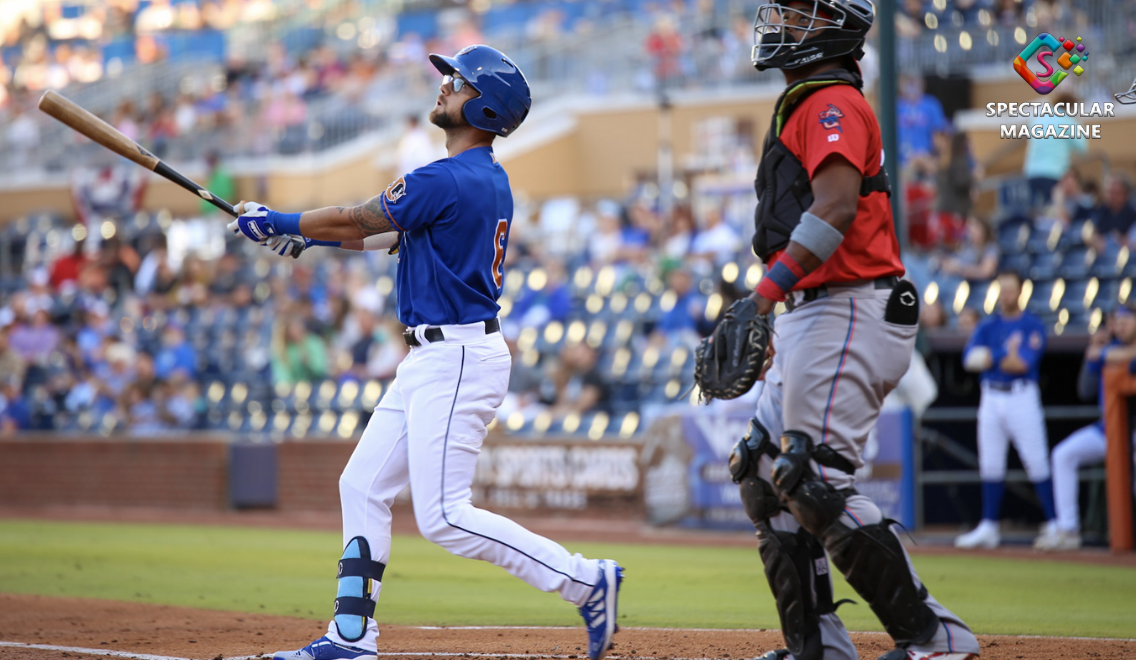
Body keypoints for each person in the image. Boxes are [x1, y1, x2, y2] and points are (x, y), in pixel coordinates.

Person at [230, 45, 622, 660]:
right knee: (361, 485)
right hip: (436, 357)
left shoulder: (446, 176)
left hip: (457, 357)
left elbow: (360, 219)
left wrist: (281, 220)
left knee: (443, 516)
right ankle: (352, 636)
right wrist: (303, 235)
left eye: (459, 82)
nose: (445, 87)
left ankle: (585, 579)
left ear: (486, 107)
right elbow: (389, 234)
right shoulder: (479, 178)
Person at [739, 2, 979, 659]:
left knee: (808, 477)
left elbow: (837, 205)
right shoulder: (810, 99)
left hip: (850, 302)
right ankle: (817, 646)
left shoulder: (830, 100)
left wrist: (763, 294)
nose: (783, 24)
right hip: (820, 308)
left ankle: (936, 639)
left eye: (799, 14)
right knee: (762, 470)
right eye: (784, 13)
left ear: (836, 24)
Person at [955, 271, 1056, 549]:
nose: (1005, 295)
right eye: (1002, 289)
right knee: (990, 463)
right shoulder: (989, 326)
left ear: (1021, 292)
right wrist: (1001, 354)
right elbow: (970, 360)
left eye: (1010, 290)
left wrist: (990, 357)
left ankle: (1054, 524)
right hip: (991, 396)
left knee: (1036, 461)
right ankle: (989, 526)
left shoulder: (1031, 325)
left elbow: (1022, 364)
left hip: (1021, 395)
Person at [1035, 305, 1136, 550]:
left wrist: (1104, 355)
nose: (1120, 325)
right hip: (1109, 429)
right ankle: (1068, 530)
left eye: (1127, 320)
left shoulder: (1113, 352)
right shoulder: (1108, 348)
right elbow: (1085, 390)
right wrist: (1095, 354)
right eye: (1116, 320)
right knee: (1063, 455)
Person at [1022, 92, 1088, 210]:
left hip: (1032, 171)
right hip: (1054, 172)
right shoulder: (1068, 121)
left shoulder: (1039, 118)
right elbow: (1082, 147)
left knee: (1035, 211)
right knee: (1053, 210)